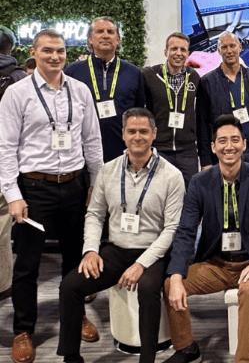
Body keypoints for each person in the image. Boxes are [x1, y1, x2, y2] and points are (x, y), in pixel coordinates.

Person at [0, 29, 104, 363]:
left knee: (75, 261)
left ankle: (76, 316)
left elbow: (92, 140)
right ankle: (23, 330)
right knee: (27, 264)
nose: (55, 56)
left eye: (60, 51)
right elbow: (5, 147)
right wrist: (13, 195)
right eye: (47, 51)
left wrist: (96, 183)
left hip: (74, 186)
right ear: (34, 52)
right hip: (34, 189)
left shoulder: (80, 90)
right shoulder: (17, 93)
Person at [57, 107, 185, 363]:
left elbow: (172, 229)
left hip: (153, 252)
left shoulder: (172, 176)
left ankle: (147, 358)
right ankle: (71, 357)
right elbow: (95, 215)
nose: (138, 137)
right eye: (132, 131)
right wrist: (90, 250)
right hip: (116, 250)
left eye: (143, 131)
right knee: (69, 286)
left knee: (147, 288)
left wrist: (141, 264)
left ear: (154, 134)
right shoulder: (108, 170)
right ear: (123, 135)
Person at [163, 114, 249, 363]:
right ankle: (187, 348)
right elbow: (186, 231)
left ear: (244, 144)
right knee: (171, 285)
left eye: (235, 139)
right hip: (217, 264)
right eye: (222, 141)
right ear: (213, 147)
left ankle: (244, 360)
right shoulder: (199, 182)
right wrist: (177, 274)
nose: (229, 146)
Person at [65, 16, 146, 162]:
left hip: (122, 153)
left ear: (118, 39)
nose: (105, 35)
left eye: (110, 31)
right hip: (82, 153)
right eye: (99, 31)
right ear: (90, 39)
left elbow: (139, 113)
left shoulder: (134, 73)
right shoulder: (73, 72)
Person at [197, 32, 249, 170]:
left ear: (240, 47)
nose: (229, 51)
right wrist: (205, 161)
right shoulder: (207, 81)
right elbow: (202, 124)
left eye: (232, 46)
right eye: (224, 47)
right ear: (218, 51)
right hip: (224, 154)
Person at [142, 32, 200, 187]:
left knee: (190, 193)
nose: (178, 53)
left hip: (187, 150)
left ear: (188, 53)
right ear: (165, 52)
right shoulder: (150, 75)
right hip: (159, 148)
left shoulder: (194, 77)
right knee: (159, 192)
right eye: (174, 48)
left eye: (183, 49)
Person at [0, 25, 28, 300]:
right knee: (3, 227)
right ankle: (2, 284)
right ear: (11, 48)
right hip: (7, 161)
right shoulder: (20, 78)